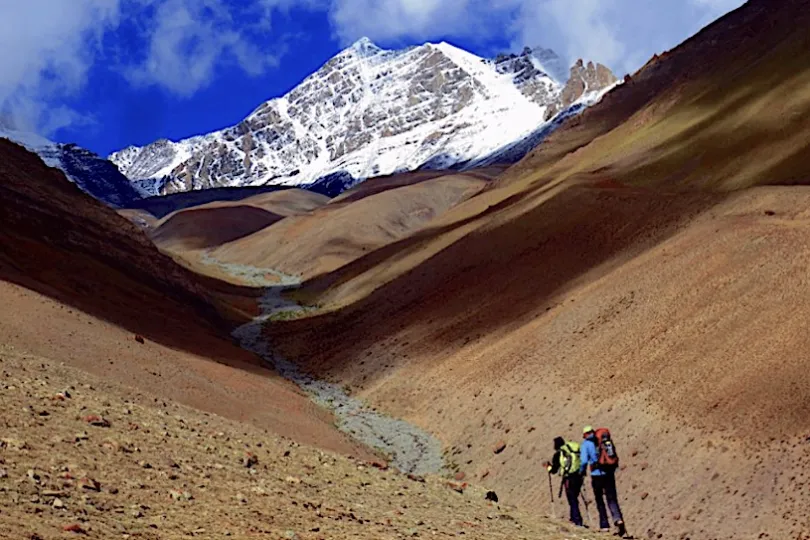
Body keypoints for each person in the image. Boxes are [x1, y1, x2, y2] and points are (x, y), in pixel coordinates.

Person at [580, 425, 627, 536]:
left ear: (585, 434)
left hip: (596, 476)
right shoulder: (604, 440)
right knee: (612, 498)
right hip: (609, 473)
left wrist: (582, 472)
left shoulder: (586, 444)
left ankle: (604, 525)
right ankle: (618, 519)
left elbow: (583, 461)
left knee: (599, 500)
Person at [544, 436, 585, 527]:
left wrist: (548, 467)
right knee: (574, 497)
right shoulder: (572, 449)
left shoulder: (559, 454)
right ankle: (573, 518)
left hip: (568, 478)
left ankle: (577, 520)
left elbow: (554, 470)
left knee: (572, 499)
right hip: (579, 476)